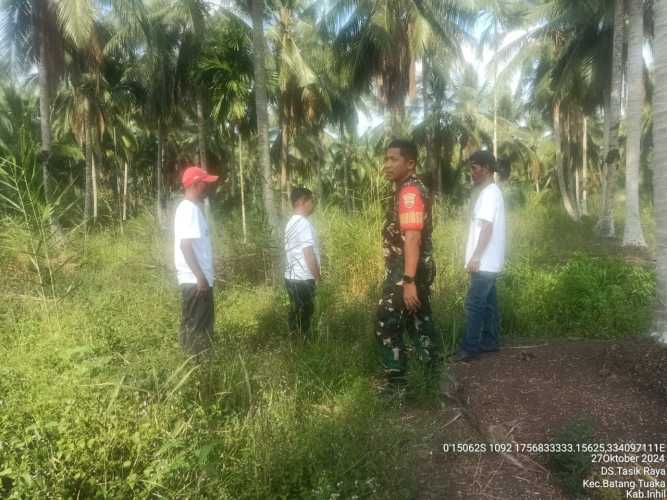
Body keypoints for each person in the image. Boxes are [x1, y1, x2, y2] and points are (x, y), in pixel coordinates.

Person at [376, 139, 436, 381]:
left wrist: (408, 280)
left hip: (408, 267)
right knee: (418, 317)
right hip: (415, 265)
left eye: (393, 159)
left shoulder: (410, 192)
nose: (387, 165)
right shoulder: (406, 188)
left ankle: (395, 382)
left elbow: (412, 238)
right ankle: (432, 373)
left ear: (410, 163)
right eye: (386, 159)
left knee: (386, 320)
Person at [455, 150, 506, 362]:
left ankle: (470, 347)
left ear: (486, 169)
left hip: (484, 262)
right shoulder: (492, 192)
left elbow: (486, 228)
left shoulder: (489, 194)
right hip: (490, 261)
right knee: (488, 304)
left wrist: (475, 257)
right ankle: (490, 341)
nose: (471, 173)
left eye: (474, 168)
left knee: (474, 304)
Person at [173, 165, 219, 355]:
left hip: (195, 280)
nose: (207, 188)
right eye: (205, 184)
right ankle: (198, 369)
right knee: (199, 329)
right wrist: (200, 277)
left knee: (193, 324)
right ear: (196, 184)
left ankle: (190, 365)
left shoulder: (190, 209)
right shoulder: (189, 209)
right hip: (196, 282)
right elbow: (185, 246)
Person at [284, 187, 321, 338]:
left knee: (296, 312)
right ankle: (301, 346)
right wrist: (317, 276)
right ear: (301, 202)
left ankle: (295, 344)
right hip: (303, 278)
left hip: (292, 277)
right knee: (304, 314)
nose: (313, 204)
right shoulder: (303, 223)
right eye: (311, 201)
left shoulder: (291, 223)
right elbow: (308, 253)